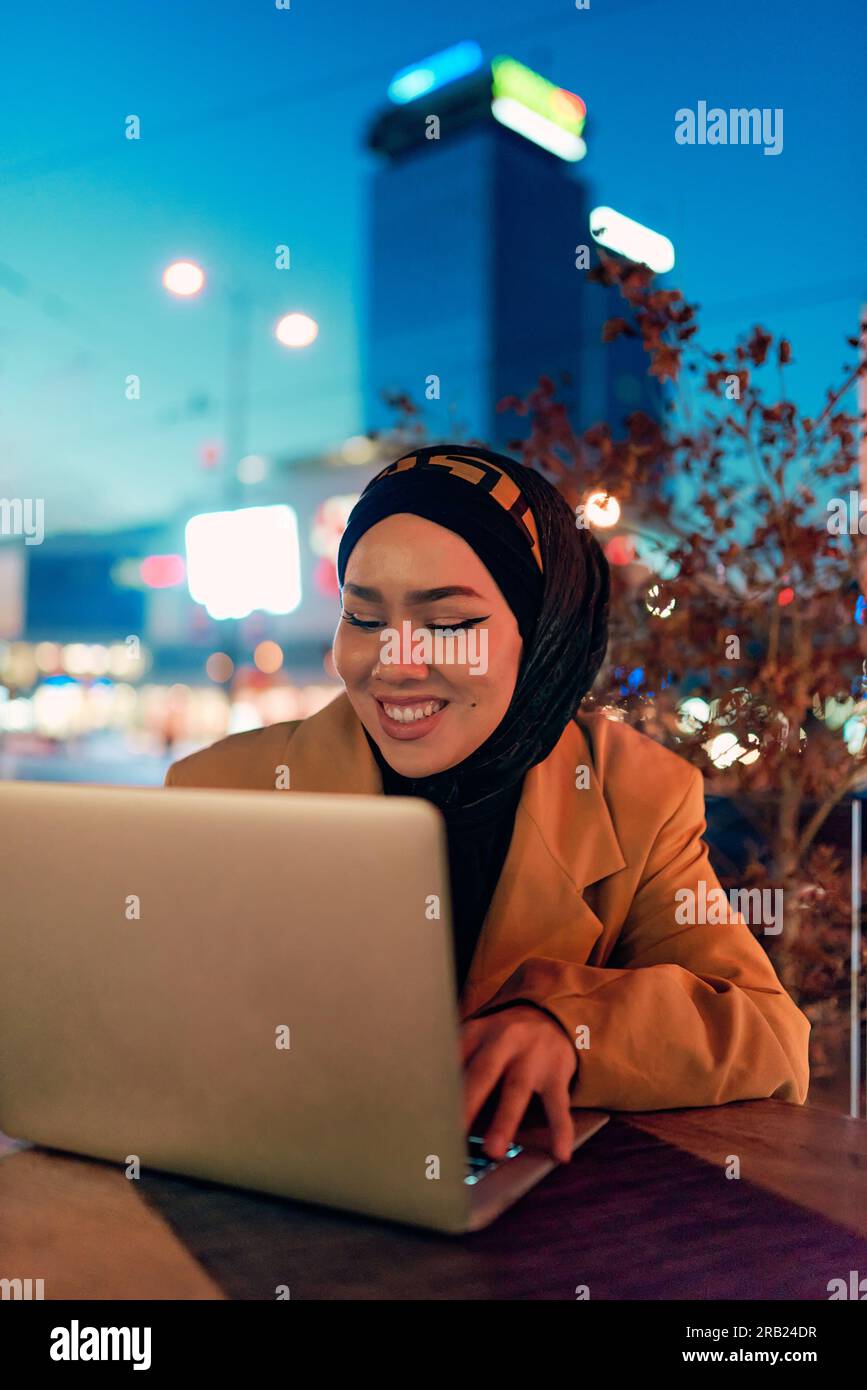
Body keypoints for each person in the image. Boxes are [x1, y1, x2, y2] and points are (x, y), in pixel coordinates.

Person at [166, 444, 810, 1163]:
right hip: (265, 1178)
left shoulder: (635, 793)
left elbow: (767, 1034)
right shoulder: (223, 789)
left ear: (540, 636)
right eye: (363, 616)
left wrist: (566, 1025)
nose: (394, 664)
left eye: (449, 624)